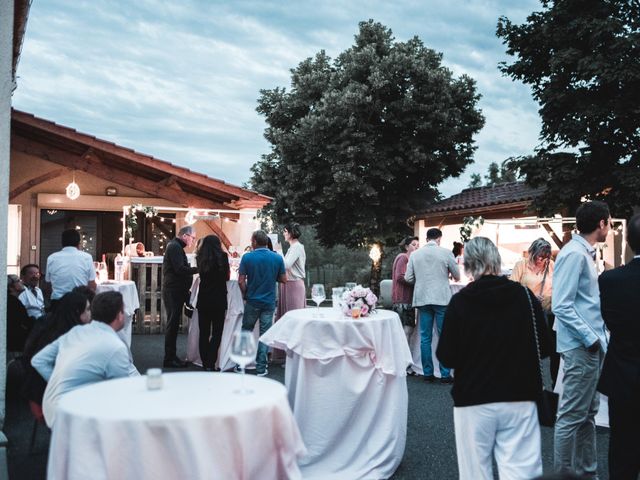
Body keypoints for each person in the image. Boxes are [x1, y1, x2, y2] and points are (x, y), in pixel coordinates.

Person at [437, 236, 550, 480]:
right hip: (520, 396)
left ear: (468, 265)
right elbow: (545, 345)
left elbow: (446, 356)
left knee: (475, 473)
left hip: (474, 398)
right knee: (522, 473)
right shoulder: (524, 296)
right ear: (496, 261)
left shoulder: (460, 302)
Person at [552, 200, 610, 477]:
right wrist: (591, 338)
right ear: (601, 223)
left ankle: (588, 472)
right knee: (571, 417)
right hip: (581, 346)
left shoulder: (583, 252)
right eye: (609, 222)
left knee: (587, 415)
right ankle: (565, 475)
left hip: (589, 345)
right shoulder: (575, 254)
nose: (609, 227)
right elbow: (560, 305)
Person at [31, 291, 139, 427]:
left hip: (51, 406)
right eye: (124, 311)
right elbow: (120, 390)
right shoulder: (115, 346)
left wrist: (60, 380)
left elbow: (38, 360)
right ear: (119, 316)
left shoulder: (77, 332)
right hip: (74, 414)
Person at [597, 213, 640, 479]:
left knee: (622, 444)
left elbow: (607, 319)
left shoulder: (610, 281)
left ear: (629, 241)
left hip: (623, 372)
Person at [405, 228, 460, 383]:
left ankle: (428, 373)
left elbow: (409, 278)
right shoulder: (446, 253)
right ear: (439, 239)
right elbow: (457, 276)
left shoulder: (415, 255)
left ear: (427, 238)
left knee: (425, 337)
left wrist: (422, 280)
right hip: (442, 299)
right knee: (444, 336)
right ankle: (444, 374)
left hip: (423, 298)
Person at [22, 291, 92, 406]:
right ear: (77, 312)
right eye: (88, 309)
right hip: (50, 399)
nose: (91, 313)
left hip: (36, 394)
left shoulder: (50, 324)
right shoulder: (67, 337)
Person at [511, 238, 559, 386]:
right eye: (539, 256)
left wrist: (547, 298)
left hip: (548, 313)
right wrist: (529, 295)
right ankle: (531, 385)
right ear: (532, 252)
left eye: (545, 257)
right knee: (529, 352)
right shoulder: (521, 265)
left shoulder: (551, 265)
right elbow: (512, 288)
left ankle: (554, 383)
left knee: (554, 352)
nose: (542, 260)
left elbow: (559, 286)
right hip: (528, 314)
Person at [238, 230, 287, 377]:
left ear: (254, 241)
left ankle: (240, 365)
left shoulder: (247, 257)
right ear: (266, 242)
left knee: (245, 332)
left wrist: (245, 294)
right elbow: (284, 279)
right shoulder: (277, 258)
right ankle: (261, 368)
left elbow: (241, 280)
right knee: (265, 335)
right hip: (269, 302)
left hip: (252, 300)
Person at [162, 225, 198, 368]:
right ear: (185, 236)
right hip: (173, 291)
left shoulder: (175, 246)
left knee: (174, 323)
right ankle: (169, 358)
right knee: (173, 324)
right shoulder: (174, 247)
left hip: (177, 290)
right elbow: (179, 269)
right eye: (192, 238)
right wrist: (198, 269)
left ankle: (172, 356)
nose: (193, 241)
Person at [195, 235, 230, 371]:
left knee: (203, 332)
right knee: (217, 332)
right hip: (219, 299)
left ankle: (206, 363)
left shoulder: (200, 257)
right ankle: (211, 360)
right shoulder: (223, 257)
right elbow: (227, 276)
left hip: (204, 299)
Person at [45, 229, 96, 311]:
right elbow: (92, 285)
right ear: (79, 243)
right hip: (80, 303)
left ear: (62, 243)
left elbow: (48, 285)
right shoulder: (87, 257)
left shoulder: (51, 258)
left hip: (57, 303)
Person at [392, 236, 419, 344]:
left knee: (408, 330)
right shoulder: (403, 257)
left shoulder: (410, 259)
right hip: (402, 300)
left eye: (418, 245)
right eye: (413, 245)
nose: (416, 247)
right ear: (407, 246)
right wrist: (417, 282)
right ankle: (404, 358)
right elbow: (399, 276)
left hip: (407, 300)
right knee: (406, 330)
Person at [7, 274, 33, 353]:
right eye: (18, 281)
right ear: (11, 287)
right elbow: (23, 323)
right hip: (15, 345)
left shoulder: (13, 300)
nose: (21, 282)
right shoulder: (13, 302)